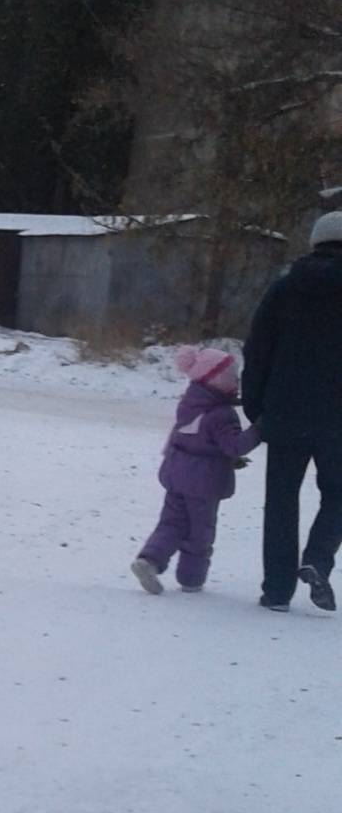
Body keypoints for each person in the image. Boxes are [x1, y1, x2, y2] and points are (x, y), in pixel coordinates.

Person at [243, 210, 342, 612]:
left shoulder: (284, 289)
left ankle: (277, 591)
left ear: (315, 243)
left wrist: (255, 406)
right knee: (338, 493)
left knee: (281, 499)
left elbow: (257, 348)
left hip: (286, 411)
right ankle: (318, 559)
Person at [131, 347, 260, 596]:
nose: (236, 382)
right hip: (204, 483)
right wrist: (260, 429)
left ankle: (149, 560)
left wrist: (227, 460)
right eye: (233, 378)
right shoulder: (221, 414)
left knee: (170, 523)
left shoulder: (191, 403)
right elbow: (234, 445)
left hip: (177, 473)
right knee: (200, 531)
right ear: (218, 380)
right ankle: (191, 579)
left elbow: (199, 441)